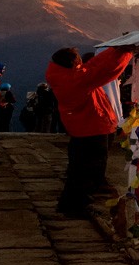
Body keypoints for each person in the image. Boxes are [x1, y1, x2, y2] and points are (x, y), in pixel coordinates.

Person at [45, 44, 134, 217]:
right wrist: (125, 52)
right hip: (92, 129)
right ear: (74, 64)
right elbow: (106, 70)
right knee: (90, 170)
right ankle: (76, 207)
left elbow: (94, 64)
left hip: (81, 129)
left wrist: (117, 50)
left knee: (77, 169)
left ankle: (67, 203)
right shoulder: (78, 79)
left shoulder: (62, 75)